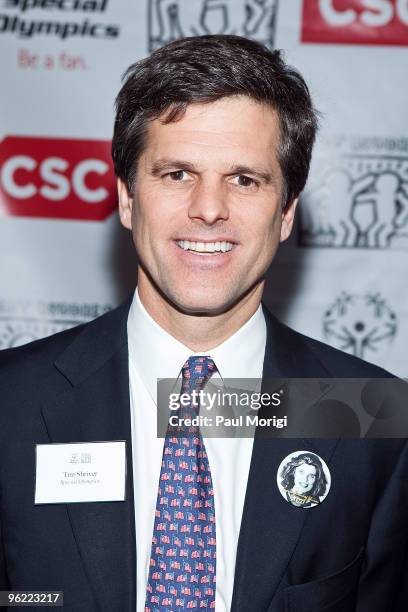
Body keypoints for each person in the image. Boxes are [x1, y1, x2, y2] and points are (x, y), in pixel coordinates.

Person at [0, 34, 407, 612]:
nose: (209, 208)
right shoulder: (11, 402)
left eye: (244, 179)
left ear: (286, 211)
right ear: (126, 197)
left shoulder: (370, 414)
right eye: (176, 174)